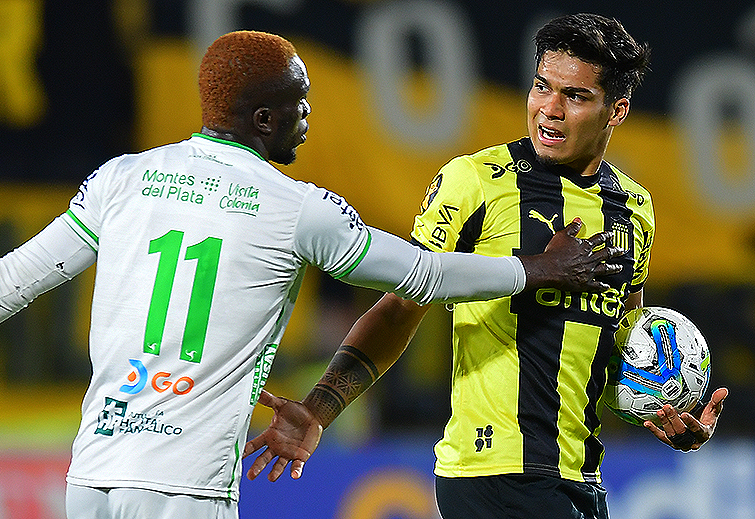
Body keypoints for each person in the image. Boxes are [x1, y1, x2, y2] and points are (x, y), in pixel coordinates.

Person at [0, 30, 622, 519]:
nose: (309, 116)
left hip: (93, 477)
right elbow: (422, 275)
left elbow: (13, 279)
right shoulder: (295, 209)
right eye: (300, 101)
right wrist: (534, 268)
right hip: (186, 488)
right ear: (265, 117)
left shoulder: (121, 179)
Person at [245, 14, 729, 519]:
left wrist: (665, 409)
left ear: (617, 110)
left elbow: (614, 354)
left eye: (576, 96)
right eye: (542, 87)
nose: (550, 109)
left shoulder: (634, 208)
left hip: (581, 478)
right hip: (494, 474)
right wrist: (319, 409)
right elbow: (399, 309)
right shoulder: (476, 182)